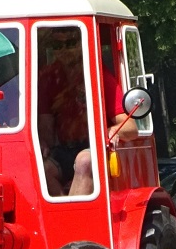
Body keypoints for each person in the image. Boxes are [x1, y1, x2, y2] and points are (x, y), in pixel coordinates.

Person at [38, 26, 136, 196]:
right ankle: (61, 215)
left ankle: (73, 219)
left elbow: (130, 128)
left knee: (84, 161)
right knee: (40, 168)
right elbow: (46, 127)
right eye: (57, 45)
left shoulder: (98, 75)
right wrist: (43, 144)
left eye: (70, 43)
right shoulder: (48, 78)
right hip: (63, 150)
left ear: (82, 45)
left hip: (93, 147)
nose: (64, 50)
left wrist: (109, 132)